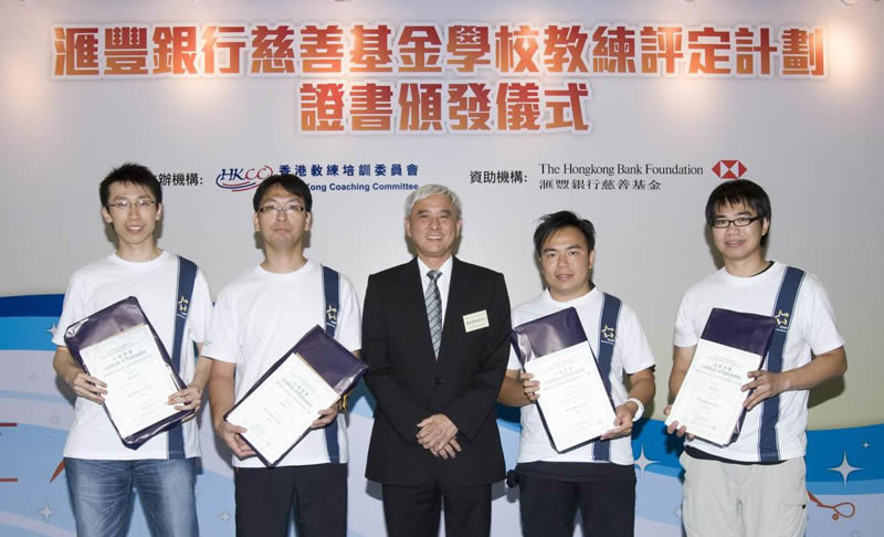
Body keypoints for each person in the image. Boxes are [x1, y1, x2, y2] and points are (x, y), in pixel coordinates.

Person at [666, 179, 847, 537]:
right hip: (706, 457)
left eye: (742, 218)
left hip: (773, 460)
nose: (732, 230)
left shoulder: (799, 287)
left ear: (764, 224)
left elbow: (835, 359)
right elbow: (682, 368)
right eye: (721, 221)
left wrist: (782, 381)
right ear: (711, 230)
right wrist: (681, 405)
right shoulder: (697, 295)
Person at [52, 162, 211, 537]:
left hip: (168, 443)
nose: (134, 213)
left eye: (143, 202)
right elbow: (62, 353)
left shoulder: (188, 275)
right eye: (121, 203)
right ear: (107, 214)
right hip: (95, 446)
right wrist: (73, 375)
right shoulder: (87, 279)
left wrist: (198, 385)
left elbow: (210, 349)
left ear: (159, 210)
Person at [203, 174, 361, 537]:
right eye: (270, 208)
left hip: (323, 453)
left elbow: (350, 364)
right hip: (257, 452)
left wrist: (339, 402)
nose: (281, 217)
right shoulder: (235, 293)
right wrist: (221, 423)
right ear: (256, 221)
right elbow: (221, 374)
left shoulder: (336, 286)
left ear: (308, 220)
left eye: (293, 208)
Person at [362, 184, 511, 537]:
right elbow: (376, 365)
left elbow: (495, 363)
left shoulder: (488, 284)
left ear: (458, 226)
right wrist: (423, 427)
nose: (434, 225)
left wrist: (454, 420)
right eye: (423, 216)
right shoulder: (382, 287)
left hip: (468, 448)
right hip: (403, 449)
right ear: (407, 225)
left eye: (444, 216)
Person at [497, 210, 656, 537]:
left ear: (591, 257)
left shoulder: (618, 312)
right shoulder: (521, 316)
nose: (563, 264)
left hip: (608, 460)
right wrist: (526, 391)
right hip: (542, 460)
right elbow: (502, 388)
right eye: (551, 254)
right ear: (540, 261)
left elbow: (643, 379)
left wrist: (631, 407)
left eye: (573, 252)